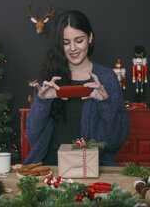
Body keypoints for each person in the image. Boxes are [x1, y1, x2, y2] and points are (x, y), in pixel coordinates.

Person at [24, 10, 130, 166]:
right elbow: (33, 137)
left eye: (79, 40)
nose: (73, 48)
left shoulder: (106, 78)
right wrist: (42, 102)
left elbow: (115, 141)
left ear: (90, 37)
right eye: (66, 42)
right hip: (52, 165)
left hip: (92, 166)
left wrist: (105, 103)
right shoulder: (49, 77)